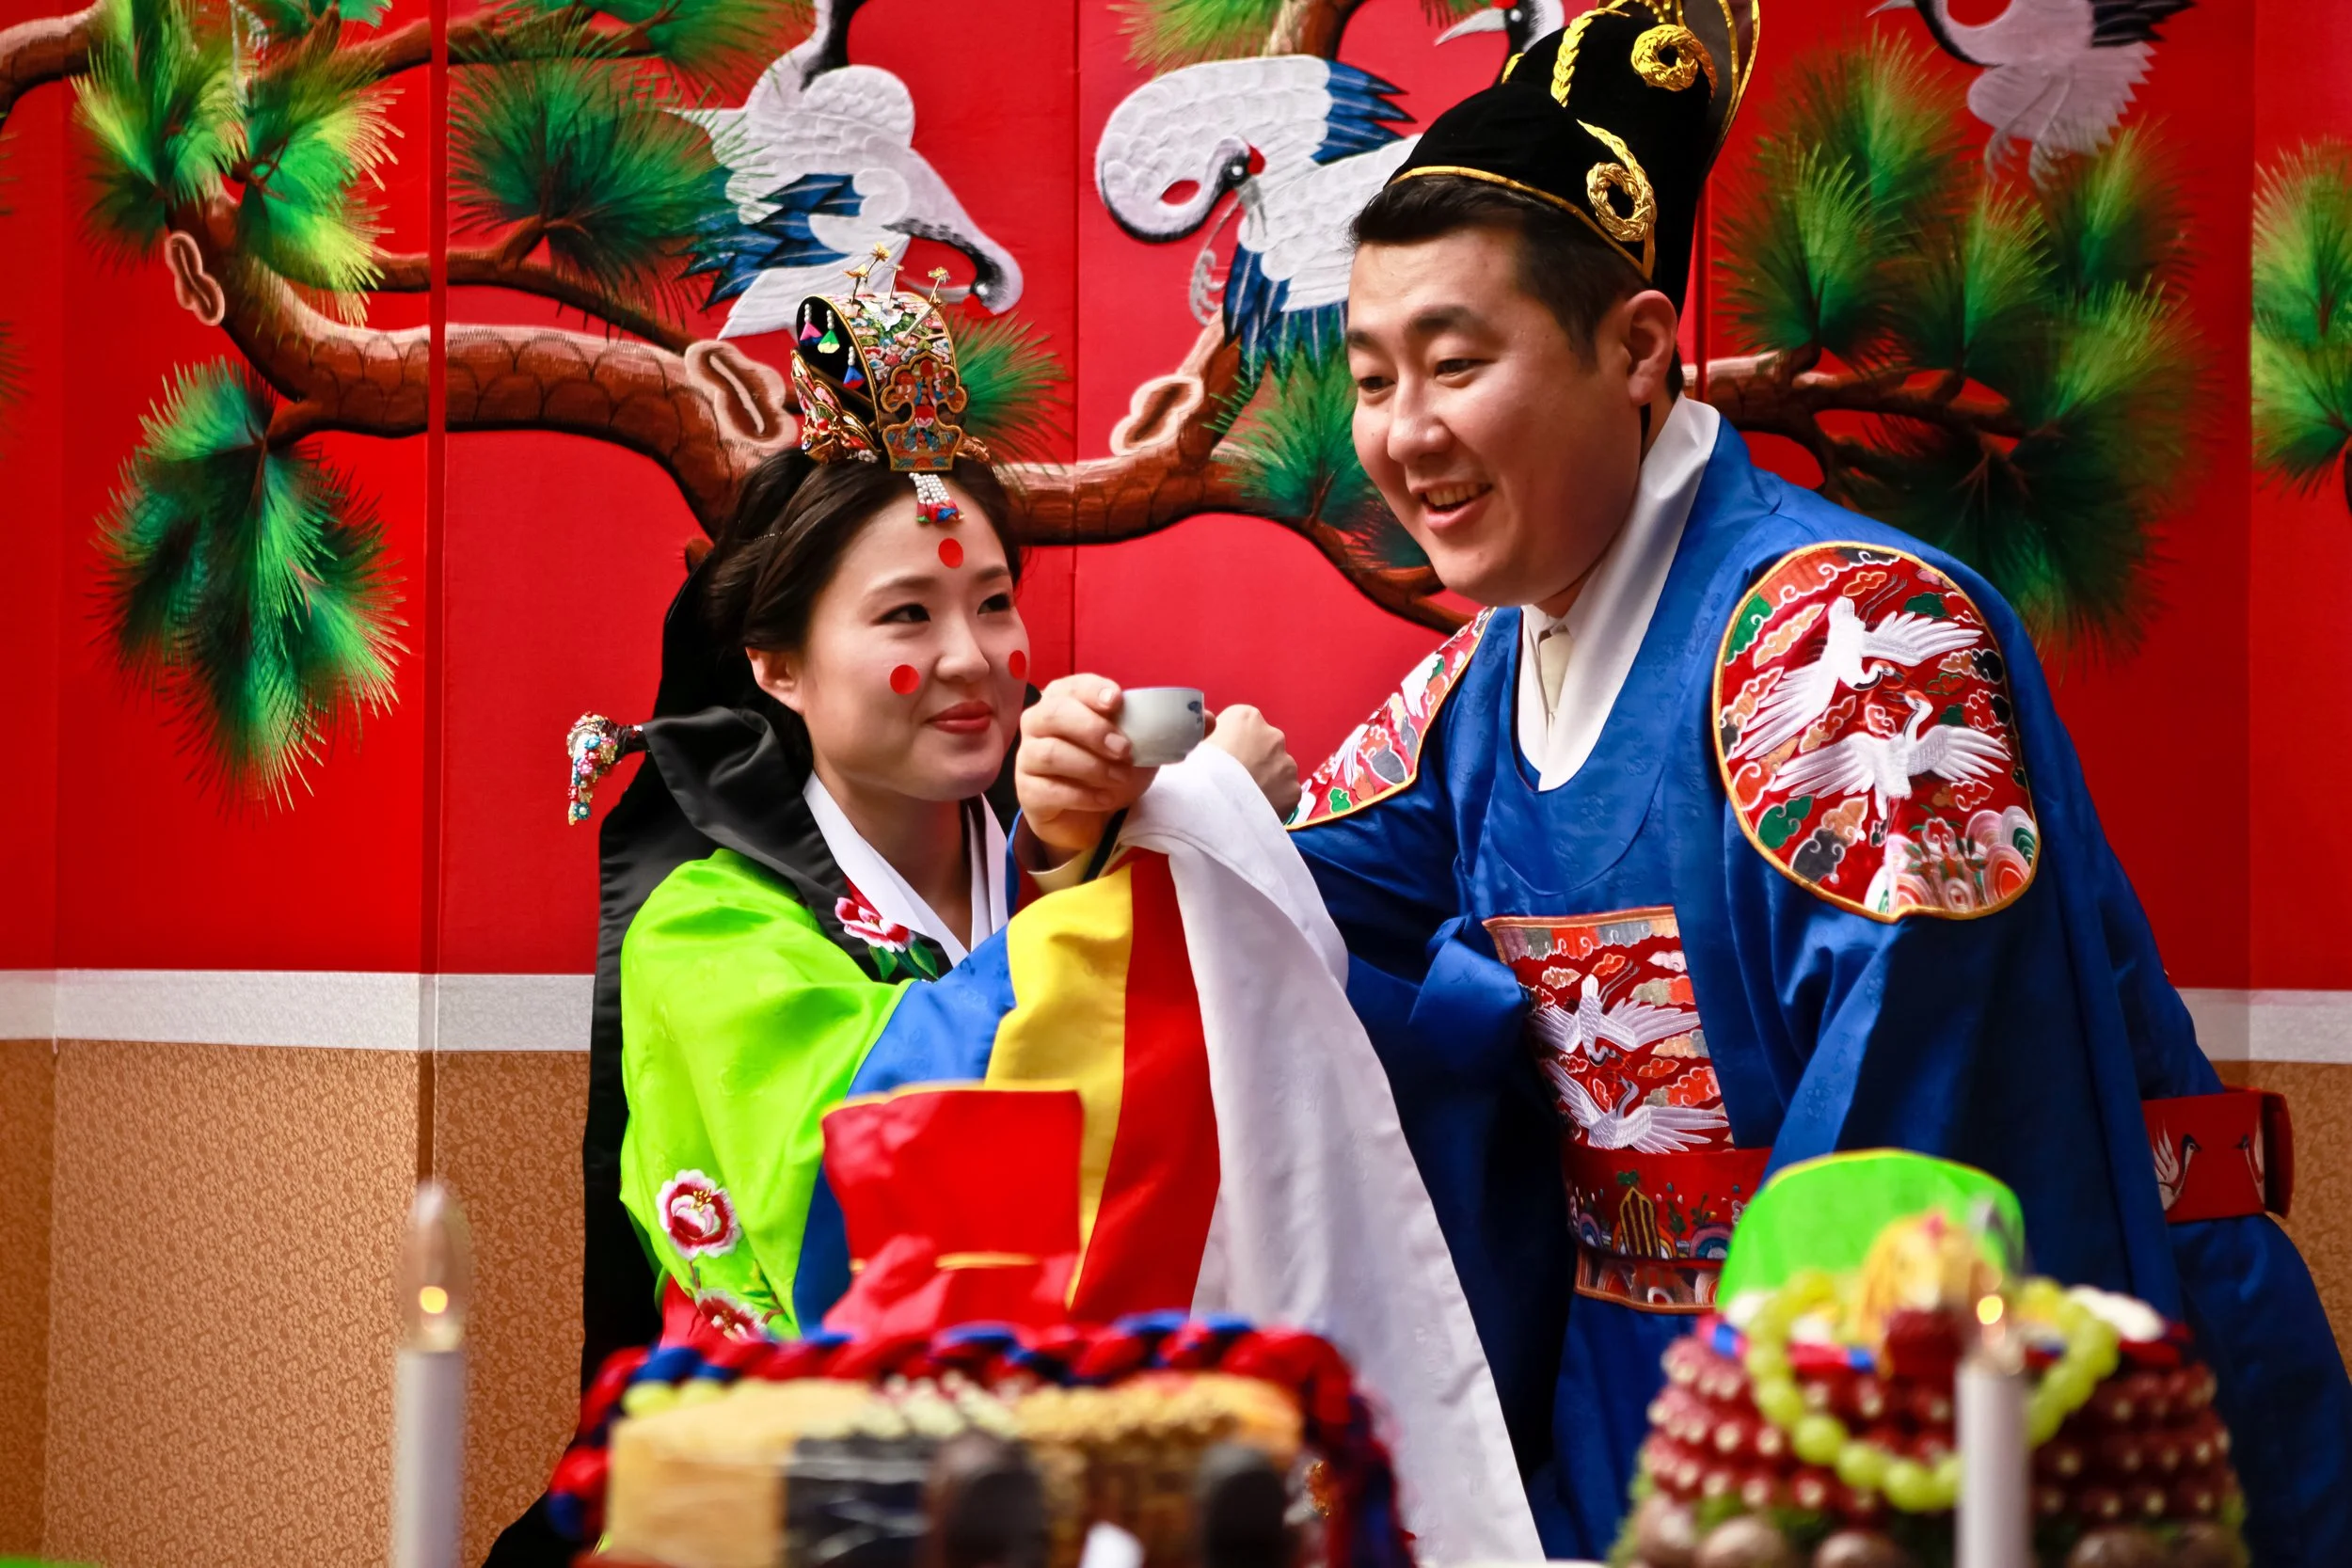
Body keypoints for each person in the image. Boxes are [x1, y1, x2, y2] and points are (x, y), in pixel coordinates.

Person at [1014, 7, 2352, 1563]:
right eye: (1373, 376)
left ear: (1638, 349)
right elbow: (1285, 904)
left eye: (1458, 362)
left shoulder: (1848, 637)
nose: (1402, 433)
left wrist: (1779, 1473)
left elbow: (1918, 1114)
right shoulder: (1484, 679)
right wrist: (1103, 813)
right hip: (1643, 1397)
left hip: (1950, 1392)